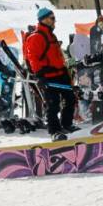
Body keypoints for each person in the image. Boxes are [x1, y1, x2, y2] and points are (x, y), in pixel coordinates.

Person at [25, 8, 76, 140]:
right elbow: (33, 58)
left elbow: (58, 55)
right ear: (44, 19)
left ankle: (67, 124)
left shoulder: (51, 35)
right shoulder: (36, 37)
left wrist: (65, 71)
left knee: (70, 99)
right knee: (53, 105)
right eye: (52, 18)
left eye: (54, 18)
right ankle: (54, 131)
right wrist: (40, 76)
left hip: (60, 73)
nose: (54, 21)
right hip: (48, 76)